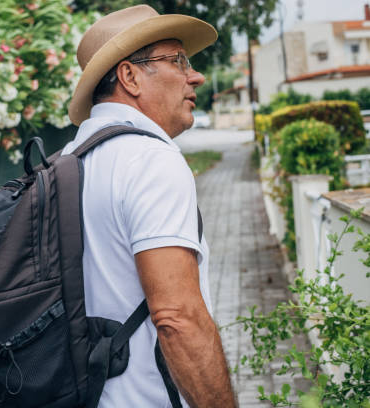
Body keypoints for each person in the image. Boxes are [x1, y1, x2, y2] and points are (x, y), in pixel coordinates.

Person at [62, 5, 237, 408]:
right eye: (177, 60)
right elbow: (177, 318)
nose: (196, 75)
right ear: (130, 76)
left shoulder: (69, 159)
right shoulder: (149, 159)